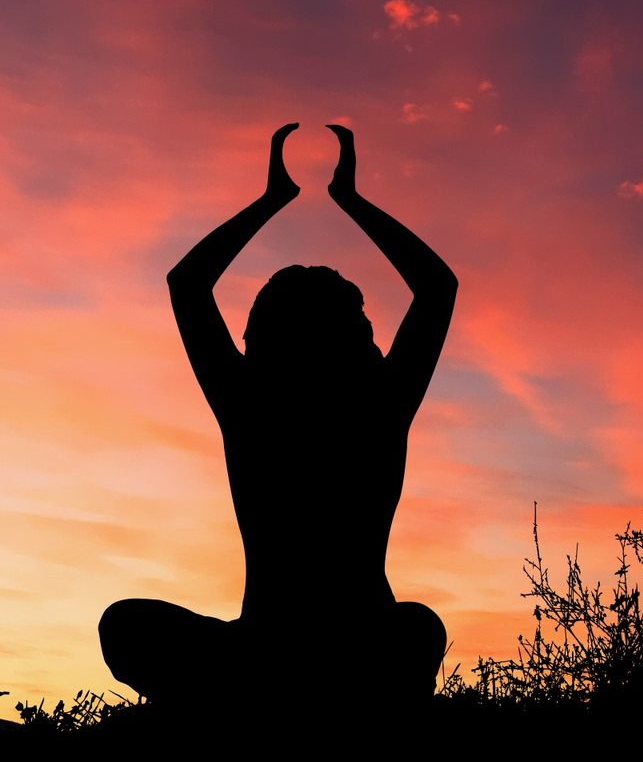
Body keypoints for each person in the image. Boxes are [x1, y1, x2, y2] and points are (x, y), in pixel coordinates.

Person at [99, 123, 457, 708]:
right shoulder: (376, 404)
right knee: (415, 628)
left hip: (286, 653)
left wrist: (273, 200)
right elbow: (436, 288)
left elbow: (188, 284)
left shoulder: (254, 405)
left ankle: (245, 711)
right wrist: (349, 202)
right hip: (308, 649)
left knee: (413, 628)